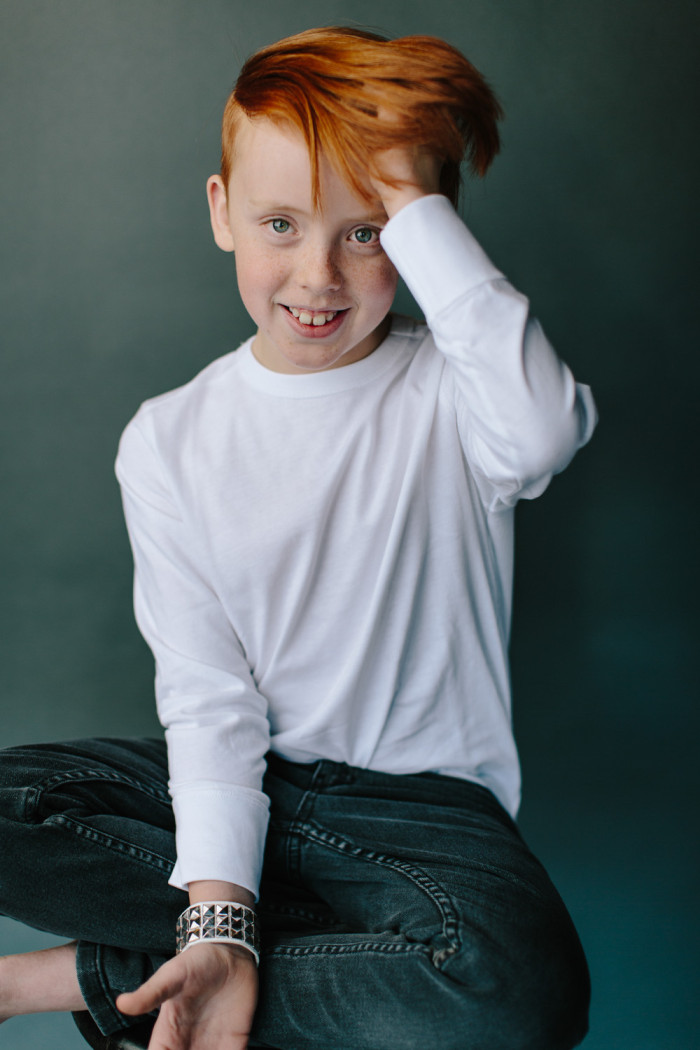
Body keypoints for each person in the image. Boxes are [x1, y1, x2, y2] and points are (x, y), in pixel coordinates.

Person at [0, 26, 596, 1050]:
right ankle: (221, 956)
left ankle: (105, 979)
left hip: (430, 821)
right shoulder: (170, 438)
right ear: (221, 210)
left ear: (419, 231)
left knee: (516, 990)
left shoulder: (459, 397)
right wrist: (220, 906)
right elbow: (209, 698)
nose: (316, 274)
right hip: (254, 793)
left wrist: (411, 198)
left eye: (363, 233)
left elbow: (547, 428)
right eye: (280, 222)